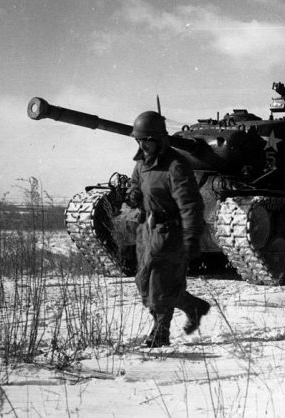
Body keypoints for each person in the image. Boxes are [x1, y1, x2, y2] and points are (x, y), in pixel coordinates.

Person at [126, 110, 211, 348]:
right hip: (147, 230)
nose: (142, 145)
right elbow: (136, 184)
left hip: (170, 232)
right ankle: (195, 307)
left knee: (160, 286)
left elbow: (190, 204)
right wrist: (133, 194)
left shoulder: (176, 166)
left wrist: (192, 238)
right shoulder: (142, 163)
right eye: (138, 140)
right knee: (144, 283)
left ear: (159, 140)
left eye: (146, 140)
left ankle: (160, 333)